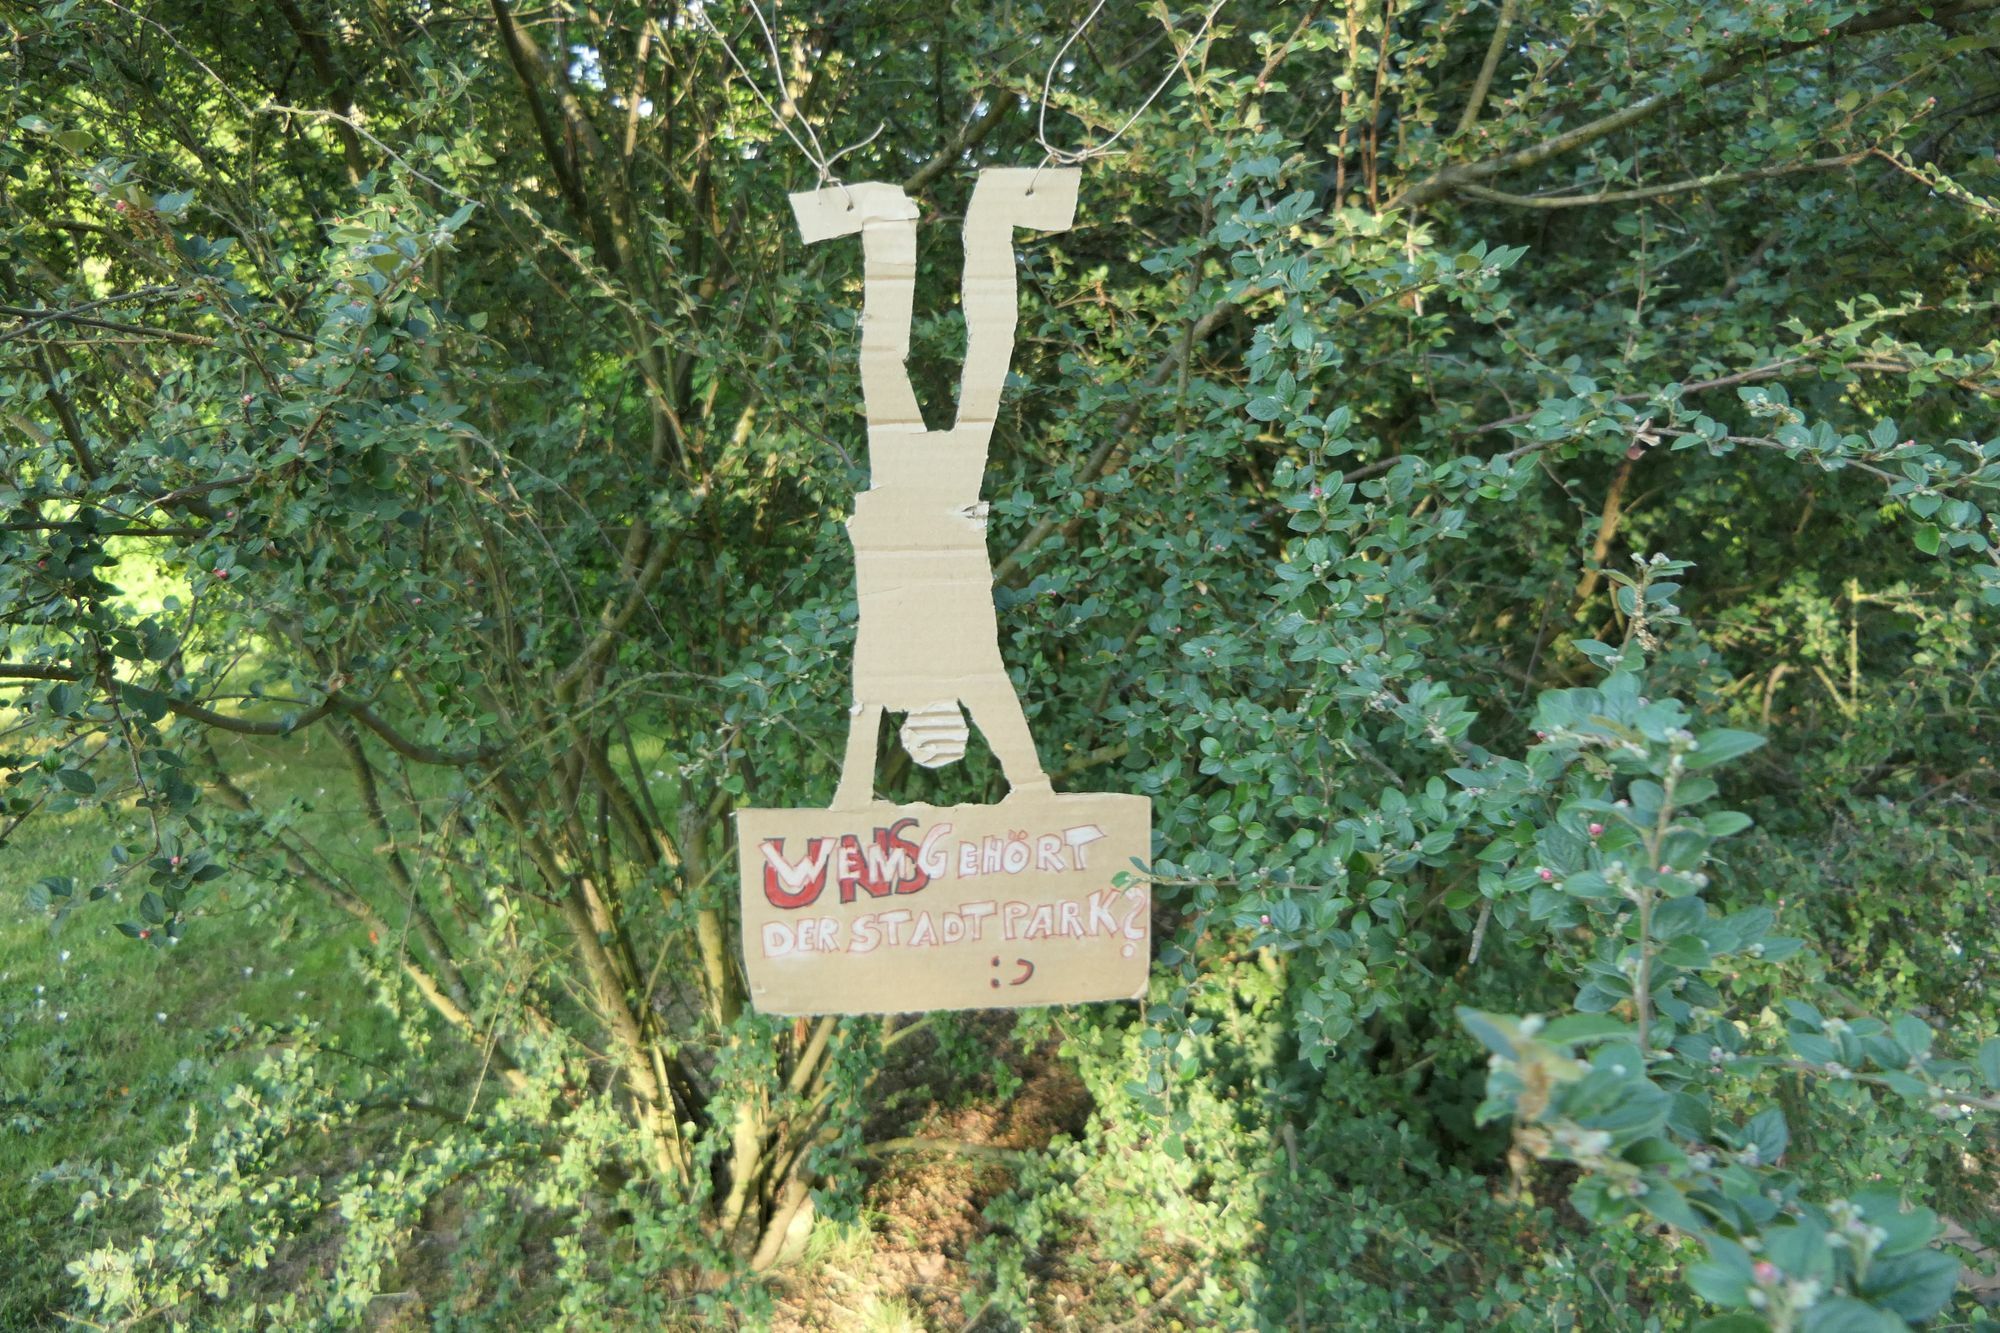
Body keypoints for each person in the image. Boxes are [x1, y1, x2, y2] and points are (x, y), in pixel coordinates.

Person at [790, 168, 1080, 808]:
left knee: (986, 357)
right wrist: (852, 795)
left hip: (945, 497)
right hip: (908, 495)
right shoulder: (889, 678)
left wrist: (1033, 787)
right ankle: (897, 224)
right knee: (884, 362)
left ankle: (973, 216)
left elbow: (1001, 731)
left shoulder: (971, 675)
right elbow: (859, 746)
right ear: (909, 725)